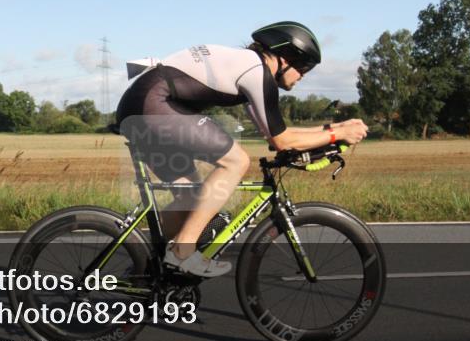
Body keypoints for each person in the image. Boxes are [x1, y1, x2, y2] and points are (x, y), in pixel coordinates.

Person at [115, 21, 369, 277]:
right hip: (154, 104)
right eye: (303, 67)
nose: (303, 75)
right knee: (236, 161)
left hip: (142, 103)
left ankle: (145, 266)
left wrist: (333, 129)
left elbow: (275, 134)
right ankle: (182, 252)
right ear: (285, 58)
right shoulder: (257, 72)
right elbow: (282, 141)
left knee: (192, 201)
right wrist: (338, 133)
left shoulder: (247, 66)